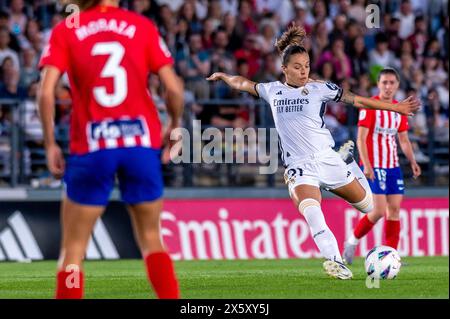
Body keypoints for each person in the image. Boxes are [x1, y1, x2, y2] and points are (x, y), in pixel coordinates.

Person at [206, 25, 420, 279]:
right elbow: (243, 83)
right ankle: (335, 261)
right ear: (284, 69)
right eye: (297, 66)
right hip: (299, 166)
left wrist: (395, 108)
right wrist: (224, 76)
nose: (303, 70)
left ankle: (348, 161)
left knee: (368, 206)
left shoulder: (321, 88)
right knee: (311, 210)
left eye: (306, 64)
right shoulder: (272, 90)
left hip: (329, 159)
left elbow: (360, 101)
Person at [37, 0, 183, 299]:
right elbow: (174, 89)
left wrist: (50, 142)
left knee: (73, 251)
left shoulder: (68, 29)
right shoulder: (141, 25)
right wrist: (174, 124)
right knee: (152, 240)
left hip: (92, 145)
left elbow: (45, 92)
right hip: (139, 144)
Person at [343, 68, 422, 264]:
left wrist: (413, 161)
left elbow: (403, 139)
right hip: (374, 165)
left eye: (391, 83)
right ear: (378, 85)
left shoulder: (399, 109)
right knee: (378, 211)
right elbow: (360, 139)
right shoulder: (371, 106)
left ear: (397, 85)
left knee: (394, 210)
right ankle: (352, 242)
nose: (388, 86)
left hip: (392, 166)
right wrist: (366, 165)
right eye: (384, 82)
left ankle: (391, 256)